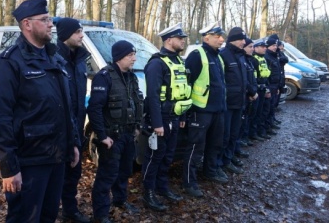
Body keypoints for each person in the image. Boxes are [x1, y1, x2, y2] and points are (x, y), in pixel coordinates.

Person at [0, 0, 80, 223]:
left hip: (55, 157)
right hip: (29, 162)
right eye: (45, 20)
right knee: (25, 218)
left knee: (48, 216)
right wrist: (8, 167)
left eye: (50, 19)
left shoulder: (54, 59)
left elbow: (66, 107)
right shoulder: (8, 63)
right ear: (27, 24)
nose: (51, 25)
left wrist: (73, 142)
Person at [88, 40, 143, 223]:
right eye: (130, 55)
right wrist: (102, 136)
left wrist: (136, 127)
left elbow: (136, 103)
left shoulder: (132, 77)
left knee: (125, 171)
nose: (134, 58)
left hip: (128, 135)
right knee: (106, 176)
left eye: (134, 54)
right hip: (112, 137)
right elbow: (95, 108)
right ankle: (101, 214)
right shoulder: (105, 76)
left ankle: (120, 201)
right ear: (119, 57)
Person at [140, 23, 192, 211]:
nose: (183, 42)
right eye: (180, 39)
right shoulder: (156, 64)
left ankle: (162, 187)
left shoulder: (179, 62)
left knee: (168, 156)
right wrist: (157, 123)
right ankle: (148, 193)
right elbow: (152, 96)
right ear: (169, 40)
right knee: (155, 157)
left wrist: (183, 115)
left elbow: (183, 91)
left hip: (175, 117)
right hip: (161, 119)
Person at [182, 22, 227, 197]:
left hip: (217, 110)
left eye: (221, 36)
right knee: (195, 148)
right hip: (200, 111)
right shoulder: (197, 55)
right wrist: (187, 111)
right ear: (206, 37)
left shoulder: (218, 56)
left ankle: (210, 171)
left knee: (215, 144)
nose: (222, 39)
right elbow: (187, 84)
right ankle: (189, 182)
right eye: (218, 36)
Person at [56, 17, 91, 223]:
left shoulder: (79, 60)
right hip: (59, 132)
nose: (82, 35)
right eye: (78, 31)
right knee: (56, 176)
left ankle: (69, 209)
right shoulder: (53, 59)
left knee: (74, 174)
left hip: (77, 128)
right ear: (66, 34)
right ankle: (50, 211)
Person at [218, 27, 256, 175]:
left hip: (240, 102)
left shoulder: (240, 56)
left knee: (234, 133)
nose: (244, 42)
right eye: (242, 39)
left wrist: (250, 92)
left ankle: (228, 158)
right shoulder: (223, 55)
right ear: (234, 40)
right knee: (225, 135)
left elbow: (243, 79)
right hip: (228, 103)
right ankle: (219, 163)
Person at [248, 40, 271, 141]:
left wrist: (266, 88)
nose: (265, 48)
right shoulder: (253, 59)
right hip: (256, 90)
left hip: (262, 88)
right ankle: (252, 134)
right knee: (253, 113)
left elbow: (266, 75)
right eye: (262, 46)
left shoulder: (263, 58)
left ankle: (256, 132)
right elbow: (253, 78)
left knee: (260, 112)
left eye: (265, 46)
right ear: (256, 48)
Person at [264, 35, 282, 137]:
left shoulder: (274, 56)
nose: (275, 47)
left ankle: (270, 125)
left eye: (276, 45)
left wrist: (278, 87)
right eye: (273, 45)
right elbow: (267, 75)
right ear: (268, 46)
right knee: (267, 109)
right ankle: (266, 128)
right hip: (270, 86)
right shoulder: (267, 57)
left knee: (271, 108)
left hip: (275, 86)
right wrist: (268, 88)